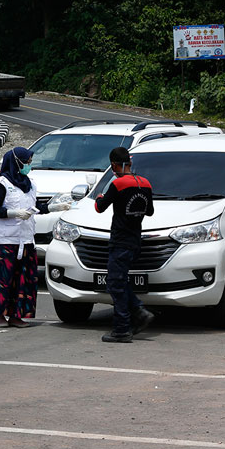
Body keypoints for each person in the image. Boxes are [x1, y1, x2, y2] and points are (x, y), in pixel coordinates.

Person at [0, 147, 66, 328]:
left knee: (23, 280)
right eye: (26, 162)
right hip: (6, 240)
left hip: (26, 239)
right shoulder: (1, 183)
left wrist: (53, 208)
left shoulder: (29, 184)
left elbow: (34, 206)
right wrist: (14, 213)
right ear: (16, 162)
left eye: (30, 162)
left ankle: (16, 316)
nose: (29, 166)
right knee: (3, 279)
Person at [94, 147, 155, 343]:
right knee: (120, 281)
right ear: (129, 162)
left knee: (115, 284)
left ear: (114, 165)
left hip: (120, 241)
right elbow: (150, 211)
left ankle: (122, 328)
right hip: (135, 240)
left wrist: (100, 195)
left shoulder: (118, 184)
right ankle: (138, 312)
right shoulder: (145, 183)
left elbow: (99, 208)